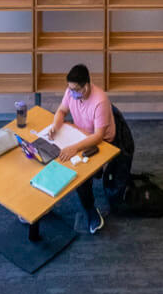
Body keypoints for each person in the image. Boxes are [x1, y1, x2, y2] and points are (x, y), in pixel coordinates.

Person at [49, 64, 133, 234]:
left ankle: (90, 210)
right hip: (82, 135)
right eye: (69, 89)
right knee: (52, 156)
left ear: (86, 86)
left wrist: (74, 148)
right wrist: (55, 126)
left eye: (75, 89)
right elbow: (62, 111)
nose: (71, 93)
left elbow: (98, 136)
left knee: (80, 175)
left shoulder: (100, 101)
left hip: (102, 142)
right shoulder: (71, 92)